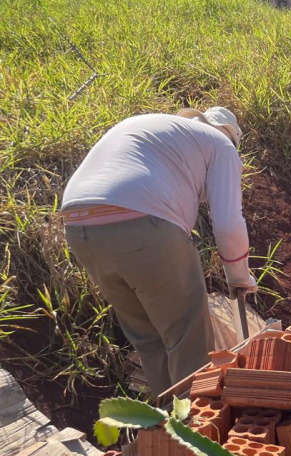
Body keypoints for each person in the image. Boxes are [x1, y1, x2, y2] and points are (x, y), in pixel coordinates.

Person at [61, 107, 258, 396]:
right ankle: (196, 430)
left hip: (78, 227)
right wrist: (239, 277)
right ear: (230, 136)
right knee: (187, 337)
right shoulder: (221, 145)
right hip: (143, 225)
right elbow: (228, 224)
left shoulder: (153, 128)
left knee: (148, 338)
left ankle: (168, 428)